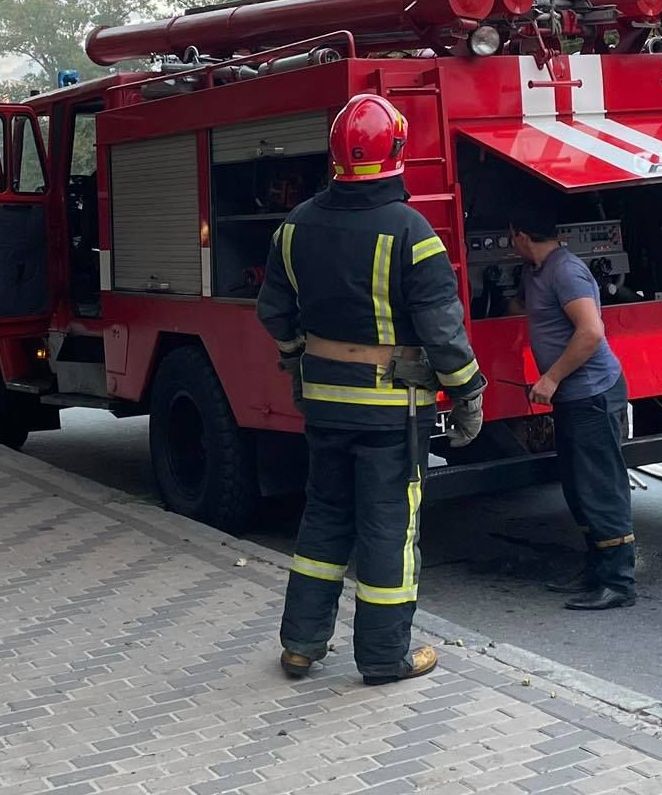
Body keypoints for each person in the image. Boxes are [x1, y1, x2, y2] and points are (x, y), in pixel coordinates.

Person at [259, 93, 487, 686]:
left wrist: (296, 366)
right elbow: (443, 330)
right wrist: (468, 394)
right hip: (393, 413)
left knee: (323, 521)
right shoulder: (412, 233)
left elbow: (274, 313)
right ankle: (386, 656)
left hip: (325, 406)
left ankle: (300, 646)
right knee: (388, 528)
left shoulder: (294, 227)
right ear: (398, 153)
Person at [510, 201, 637, 611]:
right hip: (574, 396)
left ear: (523, 237)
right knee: (578, 485)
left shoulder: (566, 270)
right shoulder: (537, 272)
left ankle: (618, 582)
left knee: (601, 486)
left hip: (593, 393)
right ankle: (595, 570)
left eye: (513, 237)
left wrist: (550, 378)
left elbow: (590, 332)